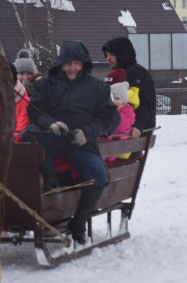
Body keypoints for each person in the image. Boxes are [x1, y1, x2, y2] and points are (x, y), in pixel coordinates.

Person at [24, 40, 117, 245]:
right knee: (29, 134)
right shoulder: (45, 85)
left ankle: (78, 223)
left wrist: (88, 133)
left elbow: (109, 116)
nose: (72, 68)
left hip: (80, 142)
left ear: (84, 64)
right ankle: (51, 181)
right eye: (68, 63)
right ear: (60, 64)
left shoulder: (98, 88)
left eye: (76, 63)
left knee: (100, 177)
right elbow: (34, 109)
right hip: (52, 137)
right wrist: (51, 123)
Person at [102, 37, 155, 139]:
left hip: (132, 133)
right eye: (107, 55)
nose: (108, 58)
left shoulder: (137, 74)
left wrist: (137, 126)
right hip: (122, 131)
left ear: (122, 55)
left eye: (112, 54)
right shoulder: (118, 74)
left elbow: (143, 102)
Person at [102, 74, 136, 162]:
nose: (114, 101)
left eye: (117, 98)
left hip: (111, 150)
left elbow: (112, 127)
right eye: (112, 98)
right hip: (112, 147)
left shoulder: (122, 115)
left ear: (124, 100)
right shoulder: (122, 113)